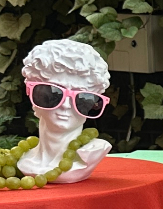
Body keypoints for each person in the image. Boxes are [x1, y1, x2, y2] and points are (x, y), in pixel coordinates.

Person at [18, 40, 112, 184]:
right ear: (32, 93)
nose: (66, 105)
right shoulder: (22, 157)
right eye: (54, 93)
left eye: (82, 98)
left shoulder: (92, 153)